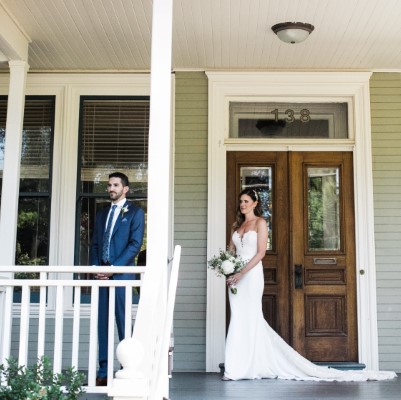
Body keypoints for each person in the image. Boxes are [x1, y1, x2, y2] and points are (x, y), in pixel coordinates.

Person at [222, 188, 396, 382]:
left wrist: (241, 273)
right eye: (241, 201)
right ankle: (238, 366)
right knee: (238, 317)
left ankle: (244, 367)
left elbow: (261, 253)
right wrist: (226, 268)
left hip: (251, 276)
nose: (243, 205)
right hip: (235, 279)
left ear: (255, 203)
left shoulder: (261, 223)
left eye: (246, 201)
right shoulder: (236, 226)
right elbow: (230, 253)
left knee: (251, 317)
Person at [90, 172, 145, 386]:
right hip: (101, 276)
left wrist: (114, 268)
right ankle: (103, 370)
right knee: (102, 322)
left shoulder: (135, 212)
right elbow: (95, 243)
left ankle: (127, 367)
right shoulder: (102, 214)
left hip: (122, 275)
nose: (110, 188)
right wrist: (97, 268)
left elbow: (134, 244)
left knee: (123, 322)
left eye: (115, 185)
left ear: (125, 189)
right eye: (109, 185)